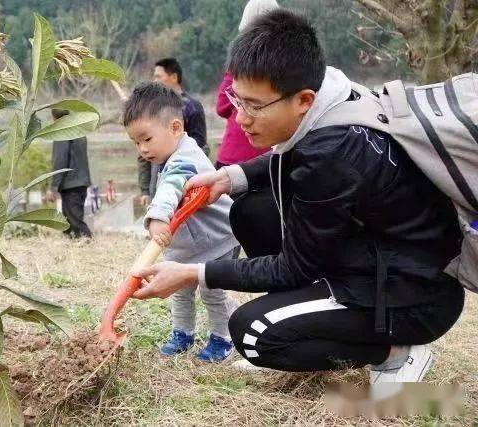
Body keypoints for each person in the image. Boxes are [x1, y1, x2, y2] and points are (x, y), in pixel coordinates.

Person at [129, 10, 464, 382]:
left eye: (255, 106)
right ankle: (316, 316)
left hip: (413, 296)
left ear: (303, 100)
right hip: (380, 252)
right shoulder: (333, 92)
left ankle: (396, 349)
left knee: (254, 335)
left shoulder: (332, 154)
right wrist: (228, 176)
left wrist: (192, 272)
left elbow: (293, 266)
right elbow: (284, 158)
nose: (241, 118)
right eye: (237, 100)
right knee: (250, 212)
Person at [124, 82, 239, 362]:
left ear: (175, 128)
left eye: (147, 139)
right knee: (179, 290)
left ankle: (224, 337)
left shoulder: (185, 158)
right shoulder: (169, 155)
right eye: (136, 142)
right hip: (190, 243)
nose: (142, 149)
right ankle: (183, 334)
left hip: (216, 240)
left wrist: (158, 216)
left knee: (211, 290)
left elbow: (172, 186)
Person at [215, 0, 279, 169]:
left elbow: (222, 107)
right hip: (272, 157)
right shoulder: (287, 60)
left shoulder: (239, 63)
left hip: (235, 155)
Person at [138, 58, 209, 206]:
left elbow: (200, 142)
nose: (154, 80)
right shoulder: (152, 108)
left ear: (174, 77)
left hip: (185, 177)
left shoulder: (192, 107)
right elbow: (143, 153)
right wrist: (144, 189)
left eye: (158, 76)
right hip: (156, 174)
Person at [48, 109, 93, 239]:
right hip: (81, 181)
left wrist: (54, 186)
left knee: (75, 221)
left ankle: (88, 242)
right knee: (69, 221)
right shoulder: (78, 131)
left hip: (70, 183)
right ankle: (73, 246)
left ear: (55, 118)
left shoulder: (62, 133)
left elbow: (60, 160)